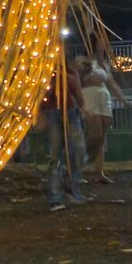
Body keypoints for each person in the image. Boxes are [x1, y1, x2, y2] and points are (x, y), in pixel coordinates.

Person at [41, 60, 88, 211]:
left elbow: (78, 92)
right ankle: (55, 197)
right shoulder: (43, 72)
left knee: (77, 150)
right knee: (54, 156)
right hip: (51, 112)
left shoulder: (70, 73)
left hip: (71, 111)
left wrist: (83, 107)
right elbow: (39, 93)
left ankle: (72, 186)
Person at [80, 45, 129, 184]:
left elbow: (112, 83)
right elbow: (79, 80)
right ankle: (77, 165)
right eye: (99, 45)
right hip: (89, 96)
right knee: (94, 135)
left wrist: (123, 100)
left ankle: (99, 172)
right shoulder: (82, 61)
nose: (102, 48)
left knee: (102, 138)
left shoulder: (104, 64)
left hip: (104, 98)